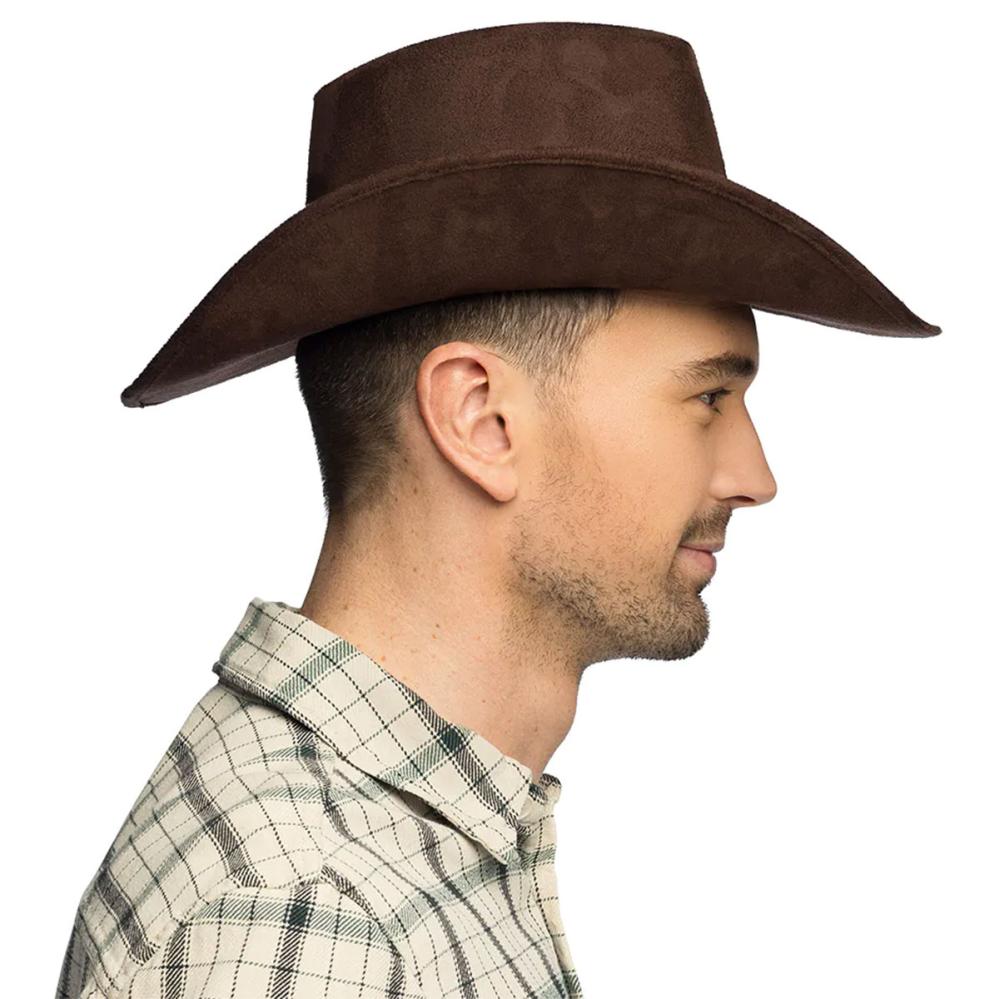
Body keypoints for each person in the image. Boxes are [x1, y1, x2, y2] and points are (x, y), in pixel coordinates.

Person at [54, 21, 940, 999]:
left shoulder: (410, 840)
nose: (754, 475)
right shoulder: (306, 914)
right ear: (481, 419)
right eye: (707, 398)